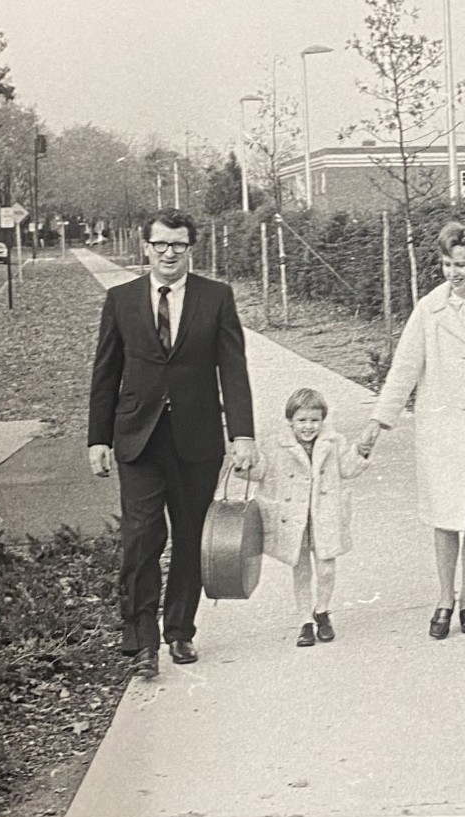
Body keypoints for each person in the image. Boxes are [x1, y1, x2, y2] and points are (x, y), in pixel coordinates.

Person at [87, 208, 256, 679]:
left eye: (178, 245)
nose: (168, 253)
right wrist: (97, 438)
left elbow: (233, 370)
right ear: (146, 247)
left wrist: (242, 434)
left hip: (196, 439)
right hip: (137, 439)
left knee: (189, 537)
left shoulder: (216, 297)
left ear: (190, 249)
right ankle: (140, 641)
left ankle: (179, 631)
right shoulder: (120, 300)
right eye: (160, 244)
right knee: (141, 537)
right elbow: (106, 373)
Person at [359, 222, 465, 640]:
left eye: (460, 264)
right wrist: (376, 423)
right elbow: (404, 368)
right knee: (444, 516)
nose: (452, 272)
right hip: (442, 430)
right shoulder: (429, 309)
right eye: (445, 264)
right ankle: (443, 599)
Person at [247, 388, 371, 647]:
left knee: (326, 569)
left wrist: (360, 452)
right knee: (301, 570)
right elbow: (259, 470)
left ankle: (323, 611)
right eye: (302, 420)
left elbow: (347, 470)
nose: (308, 426)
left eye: (314, 420)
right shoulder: (276, 444)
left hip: (324, 515)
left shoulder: (333, 442)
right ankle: (305, 620)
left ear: (322, 420)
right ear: (290, 420)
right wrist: (246, 462)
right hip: (294, 519)